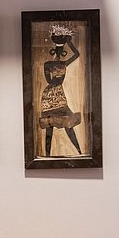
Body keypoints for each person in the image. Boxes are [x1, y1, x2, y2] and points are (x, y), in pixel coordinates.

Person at [36, 24, 84, 157]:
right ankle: (47, 154)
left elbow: (77, 54)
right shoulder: (48, 64)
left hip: (59, 94)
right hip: (50, 95)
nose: (59, 54)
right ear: (54, 51)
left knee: (68, 123)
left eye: (61, 51)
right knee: (50, 125)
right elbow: (49, 80)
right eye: (58, 51)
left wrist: (69, 42)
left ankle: (79, 151)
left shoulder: (63, 63)